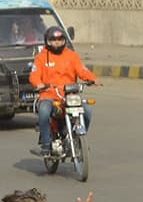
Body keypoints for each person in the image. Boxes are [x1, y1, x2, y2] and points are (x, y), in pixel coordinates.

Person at [28, 26, 94, 156]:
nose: (57, 42)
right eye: (53, 39)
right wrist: (39, 84)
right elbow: (34, 74)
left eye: (59, 39)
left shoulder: (71, 55)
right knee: (44, 112)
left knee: (87, 110)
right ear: (47, 41)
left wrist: (92, 79)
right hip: (49, 95)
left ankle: (78, 140)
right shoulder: (41, 57)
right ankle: (46, 145)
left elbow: (81, 70)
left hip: (69, 96)